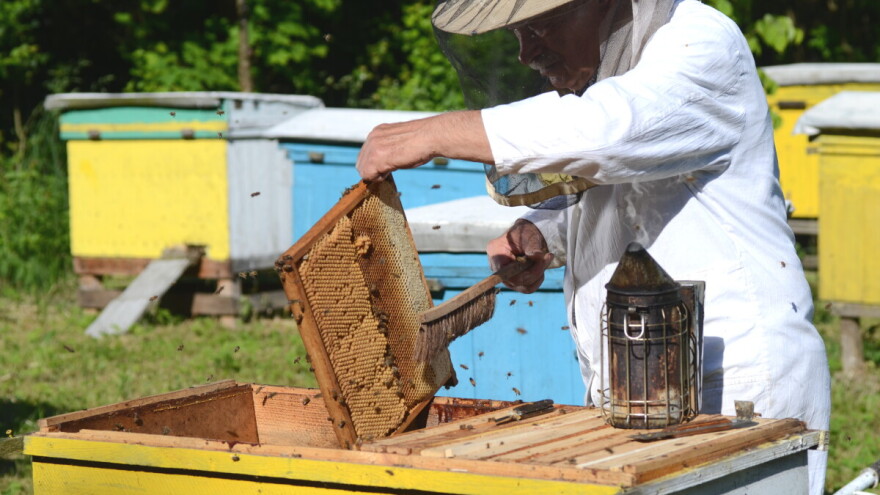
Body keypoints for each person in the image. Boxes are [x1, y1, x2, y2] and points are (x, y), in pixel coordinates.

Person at [356, 0, 831, 492]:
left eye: (539, 26)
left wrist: (437, 131)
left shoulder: (701, 44)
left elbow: (608, 133)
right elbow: (629, 191)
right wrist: (544, 232)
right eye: (517, 34)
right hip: (636, 381)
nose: (525, 53)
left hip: (733, 382)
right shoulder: (618, 70)